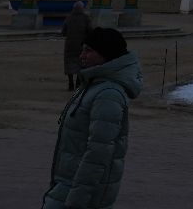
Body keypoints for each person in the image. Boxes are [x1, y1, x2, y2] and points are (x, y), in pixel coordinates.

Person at [43, 27, 142, 209]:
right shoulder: (92, 85)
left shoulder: (108, 94)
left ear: (106, 55)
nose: (82, 56)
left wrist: (76, 200)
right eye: (83, 50)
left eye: (89, 51)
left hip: (82, 195)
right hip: (67, 185)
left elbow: (98, 154)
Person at [61, 0, 92, 91]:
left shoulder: (69, 17)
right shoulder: (86, 18)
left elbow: (63, 32)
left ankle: (71, 83)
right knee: (80, 63)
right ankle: (78, 84)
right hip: (81, 45)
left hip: (69, 45)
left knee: (69, 64)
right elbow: (90, 30)